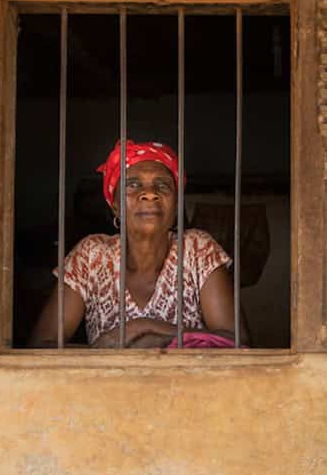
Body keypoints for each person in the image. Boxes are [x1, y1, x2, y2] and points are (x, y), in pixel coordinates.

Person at [29, 140, 243, 349]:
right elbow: (42, 345)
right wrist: (103, 356)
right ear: (115, 206)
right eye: (133, 184)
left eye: (163, 185)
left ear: (176, 205)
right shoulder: (91, 256)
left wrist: (142, 328)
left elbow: (236, 340)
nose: (150, 193)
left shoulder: (198, 250)